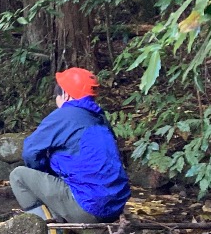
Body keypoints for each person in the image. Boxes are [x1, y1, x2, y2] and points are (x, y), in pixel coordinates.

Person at [9, 67, 129, 225]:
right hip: (115, 207)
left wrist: (43, 171)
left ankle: (50, 230)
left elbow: (30, 152)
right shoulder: (100, 118)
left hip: (88, 209)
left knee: (18, 175)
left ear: (65, 94)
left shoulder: (65, 115)